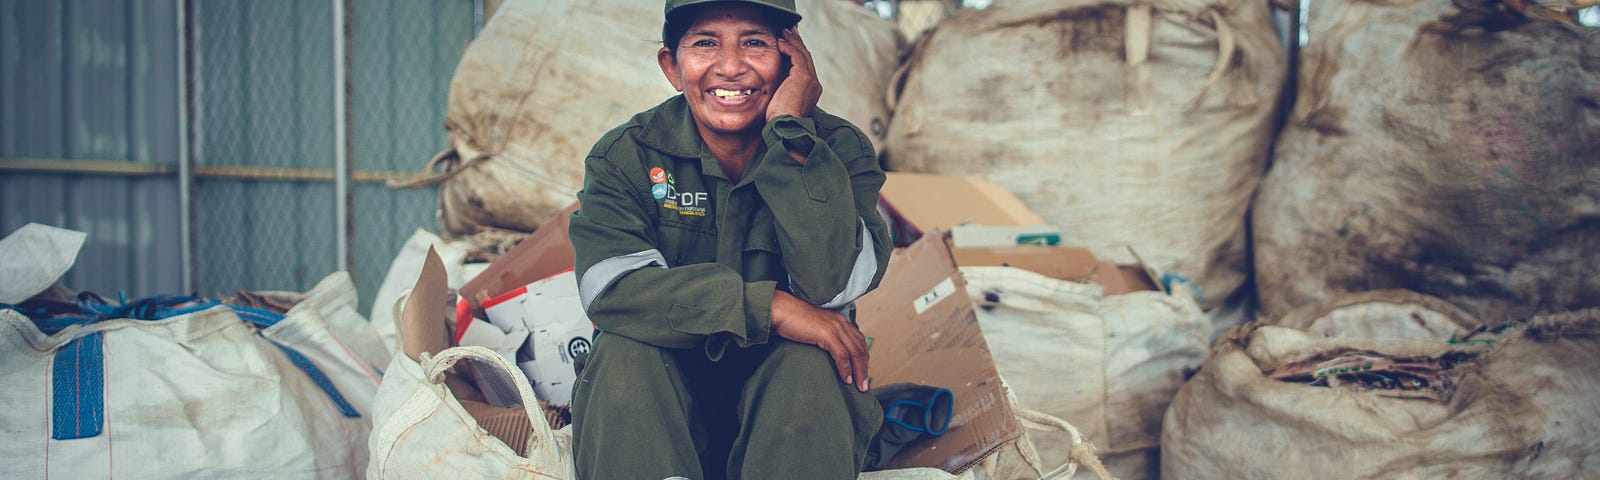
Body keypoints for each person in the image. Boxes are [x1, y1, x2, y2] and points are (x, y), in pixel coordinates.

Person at [566, 0, 893, 478]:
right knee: (623, 352)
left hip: (789, 414)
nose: (732, 67)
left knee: (814, 360)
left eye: (755, 43)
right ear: (671, 67)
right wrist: (770, 308)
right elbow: (612, 292)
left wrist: (794, 140)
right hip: (660, 409)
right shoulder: (627, 155)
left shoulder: (837, 149)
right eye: (705, 43)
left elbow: (834, 285)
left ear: (792, 60)